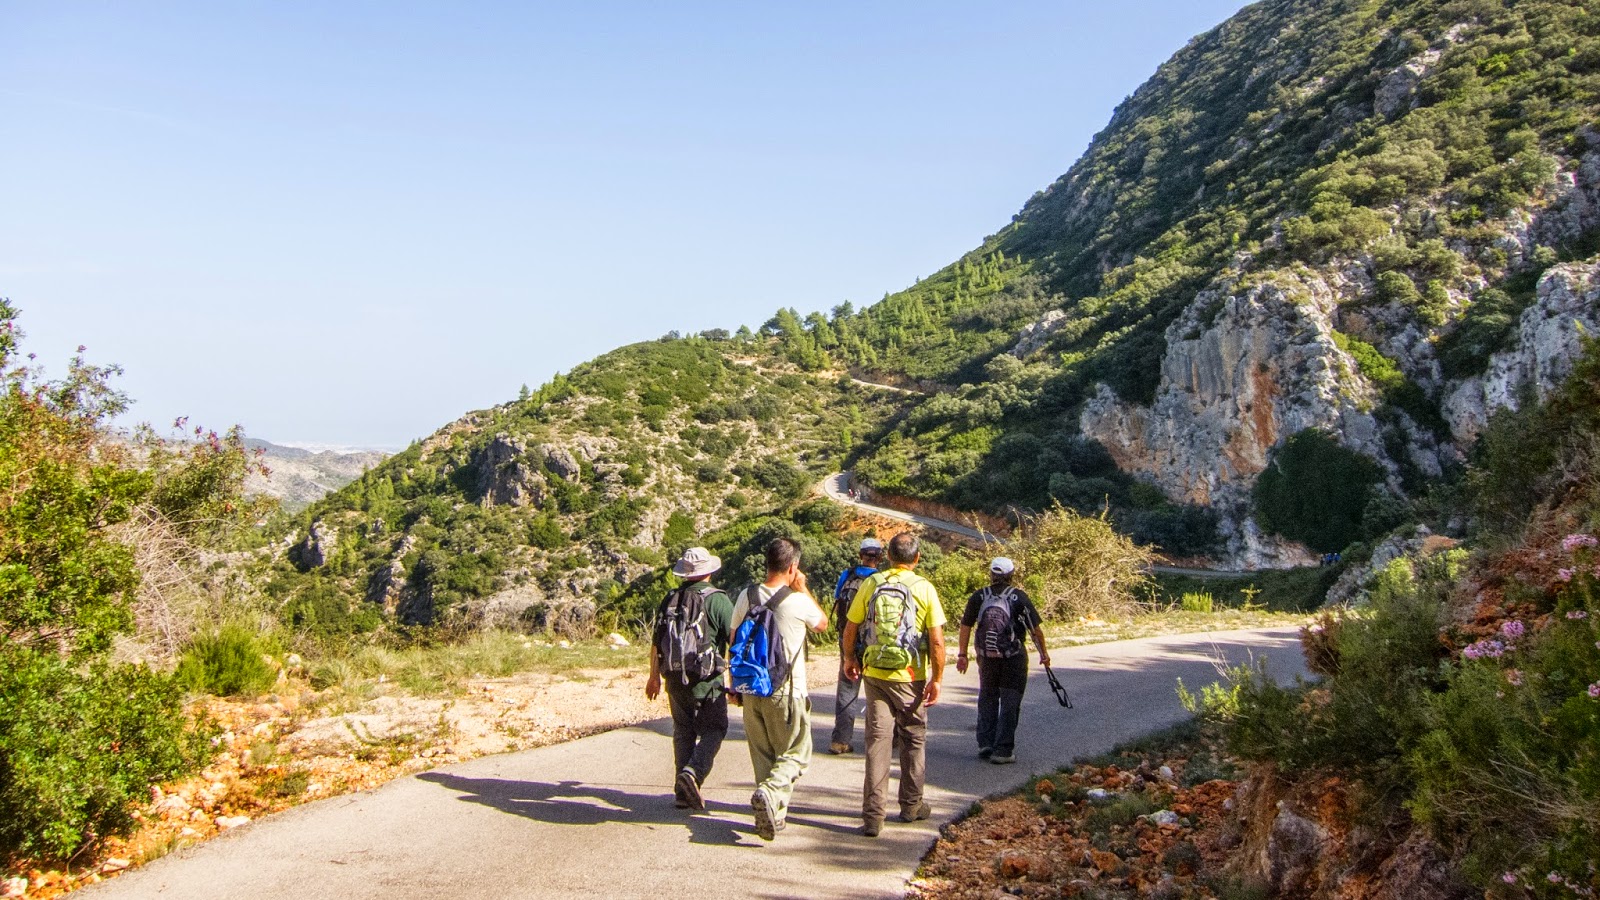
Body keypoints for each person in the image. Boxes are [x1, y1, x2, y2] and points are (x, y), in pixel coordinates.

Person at [842, 531, 946, 837]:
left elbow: (851, 626)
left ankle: (873, 817)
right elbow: (937, 642)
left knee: (877, 742)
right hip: (910, 677)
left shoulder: (872, 583)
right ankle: (911, 806)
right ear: (917, 558)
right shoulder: (924, 588)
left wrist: (849, 658)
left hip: (875, 673)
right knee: (913, 738)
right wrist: (937, 679)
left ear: (888, 556)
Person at [730, 537, 829, 841]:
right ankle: (771, 793)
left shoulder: (746, 596)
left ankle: (775, 813)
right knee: (797, 752)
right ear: (792, 566)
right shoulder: (798, 601)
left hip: (751, 687)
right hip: (786, 690)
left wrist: (735, 685)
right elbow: (822, 624)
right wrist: (803, 588)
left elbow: (733, 640)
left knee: (763, 755)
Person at [645, 546, 734, 810]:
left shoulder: (670, 599)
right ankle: (693, 773)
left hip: (674, 680)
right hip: (707, 683)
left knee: (683, 732)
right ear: (709, 571)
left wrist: (653, 678)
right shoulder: (718, 600)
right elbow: (735, 641)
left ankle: (681, 794)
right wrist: (737, 683)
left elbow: (656, 643)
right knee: (715, 729)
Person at [955, 557, 1049, 765]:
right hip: (1013, 658)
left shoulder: (979, 596)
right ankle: (1003, 751)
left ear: (991, 575)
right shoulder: (1019, 597)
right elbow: (1035, 630)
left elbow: (965, 626)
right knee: (1010, 701)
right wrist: (1044, 654)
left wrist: (962, 654)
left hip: (987, 657)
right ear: (1011, 575)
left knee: (987, 697)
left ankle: (985, 743)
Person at [829, 537, 884, 755]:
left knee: (847, 688)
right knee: (878, 691)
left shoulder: (847, 575)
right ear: (880, 557)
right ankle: (880, 740)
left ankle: (840, 740)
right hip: (875, 643)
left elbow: (837, 602)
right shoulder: (882, 579)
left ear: (860, 555)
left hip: (848, 639)